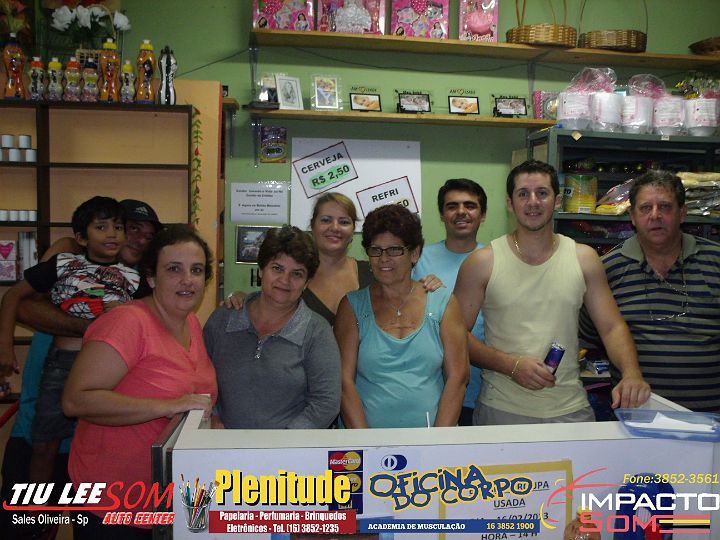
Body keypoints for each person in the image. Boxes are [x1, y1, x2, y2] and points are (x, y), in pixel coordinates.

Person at [0, 199, 162, 539]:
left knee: (84, 525)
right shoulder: (68, 262)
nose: (136, 239)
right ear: (85, 235)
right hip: (39, 428)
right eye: (131, 228)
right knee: (30, 526)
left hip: (94, 444)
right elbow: (21, 302)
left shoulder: (134, 282)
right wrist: (98, 326)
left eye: (147, 236)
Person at [454, 160, 650, 425]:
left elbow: (612, 327)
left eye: (542, 193)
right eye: (523, 194)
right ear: (510, 203)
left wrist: (631, 373)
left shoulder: (584, 259)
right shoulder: (482, 262)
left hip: (570, 409)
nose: (533, 202)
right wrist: (511, 366)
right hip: (502, 410)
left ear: (557, 201)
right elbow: (456, 335)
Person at [62, 224, 217, 539]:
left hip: (163, 500)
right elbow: (76, 400)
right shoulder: (127, 322)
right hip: (111, 503)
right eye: (174, 269)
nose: (187, 279)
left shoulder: (190, 323)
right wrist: (169, 405)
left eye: (196, 270)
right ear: (151, 277)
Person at [580, 170, 720, 412]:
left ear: (682, 213)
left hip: (711, 419)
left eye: (665, 207)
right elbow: (591, 335)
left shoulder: (715, 262)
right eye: (645, 208)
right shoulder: (608, 270)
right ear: (632, 217)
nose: (655, 215)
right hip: (638, 415)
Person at [335, 204, 468, 428]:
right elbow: (343, 382)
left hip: (430, 438)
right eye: (376, 250)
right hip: (367, 439)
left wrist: (438, 440)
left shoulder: (444, 303)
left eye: (394, 250)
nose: (383, 258)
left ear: (414, 253)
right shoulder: (352, 306)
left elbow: (458, 378)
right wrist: (365, 441)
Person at [205, 226, 340, 429]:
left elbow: (326, 402)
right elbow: (197, 378)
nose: (285, 280)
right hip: (220, 444)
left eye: (297, 274)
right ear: (261, 270)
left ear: (306, 282)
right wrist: (211, 416)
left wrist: (284, 441)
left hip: (287, 447)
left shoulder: (317, 332)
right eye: (277, 269)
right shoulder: (223, 320)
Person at [413, 178, 487, 426]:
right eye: (452, 206)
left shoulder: (496, 260)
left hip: (484, 392)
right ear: (442, 215)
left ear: (483, 215)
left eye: (470, 205)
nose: (461, 212)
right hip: (434, 391)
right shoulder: (418, 259)